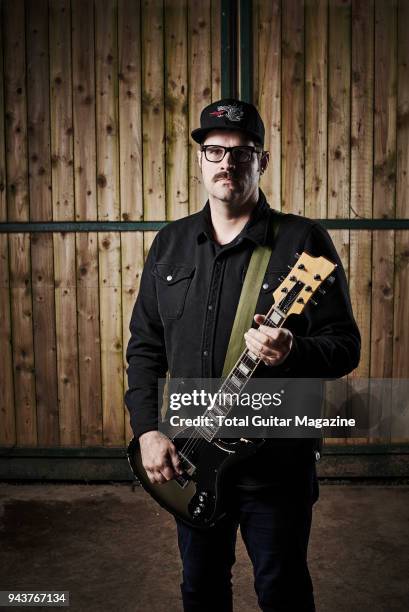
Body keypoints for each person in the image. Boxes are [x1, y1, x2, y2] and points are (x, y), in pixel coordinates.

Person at [125, 98, 360, 612]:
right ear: (201, 159)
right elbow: (144, 348)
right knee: (200, 589)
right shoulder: (170, 243)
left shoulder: (302, 240)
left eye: (242, 152)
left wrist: (292, 349)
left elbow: (346, 346)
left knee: (282, 590)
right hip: (190, 456)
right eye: (215, 151)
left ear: (262, 160)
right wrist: (146, 430)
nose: (227, 163)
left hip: (276, 464)